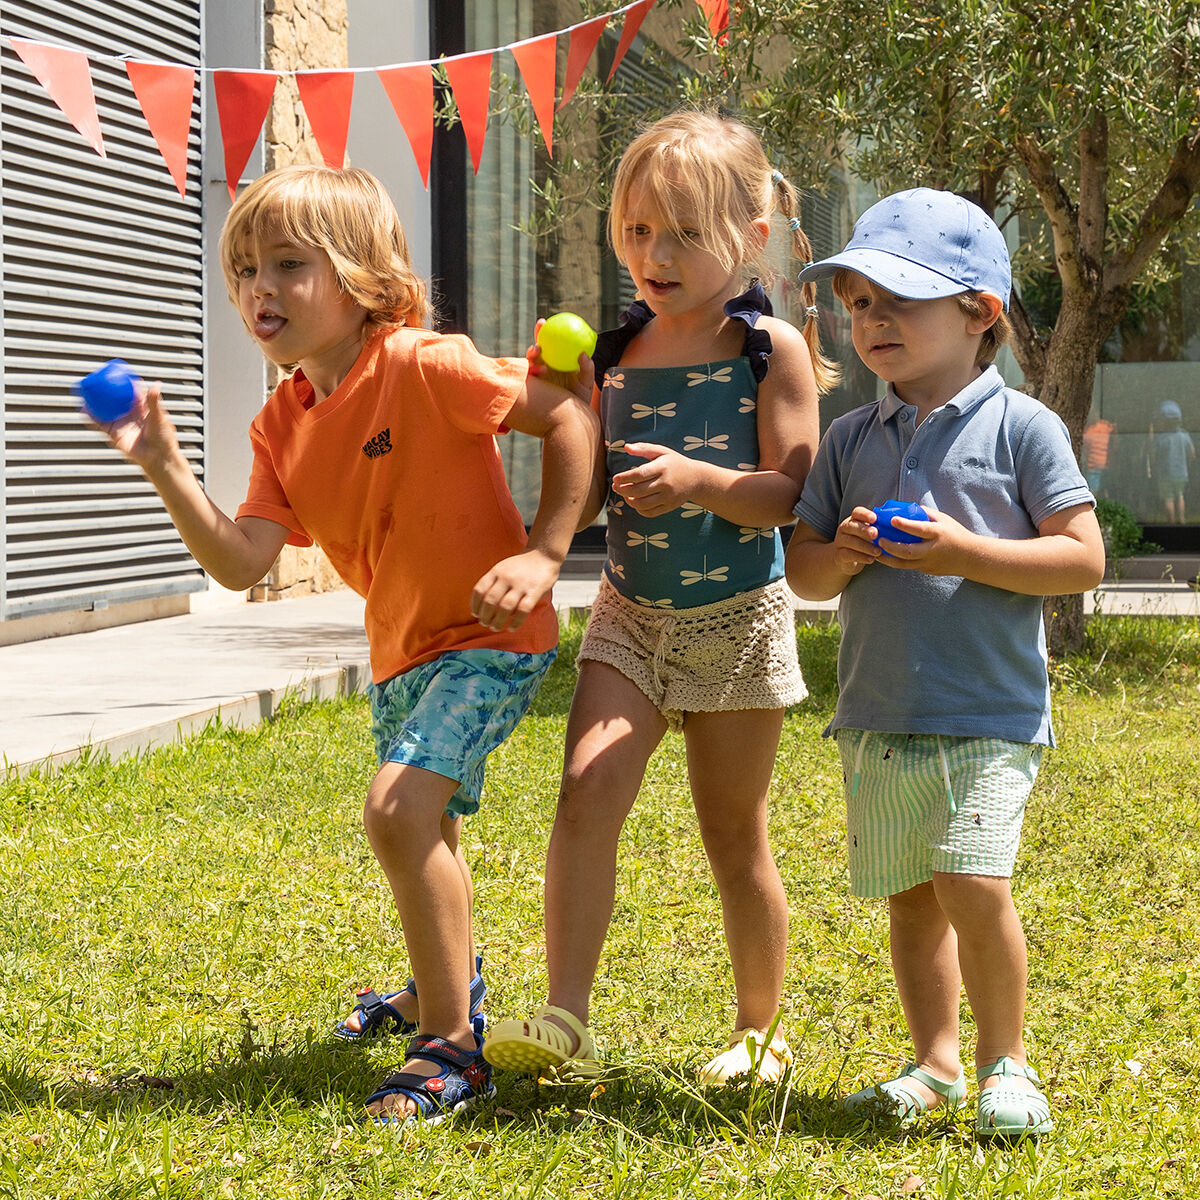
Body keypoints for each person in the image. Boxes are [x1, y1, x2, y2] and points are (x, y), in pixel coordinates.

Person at [97, 165, 598, 1126]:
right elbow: (242, 560)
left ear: (363, 277)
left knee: (397, 813)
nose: (259, 288)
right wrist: (165, 465)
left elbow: (565, 411)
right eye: (244, 269)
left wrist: (544, 554)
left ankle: (450, 1045)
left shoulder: (424, 363)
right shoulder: (279, 423)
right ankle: (439, 981)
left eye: (289, 263)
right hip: (401, 649)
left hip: (490, 637)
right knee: (430, 826)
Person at [482, 109, 837, 1086]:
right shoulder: (613, 353)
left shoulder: (773, 350)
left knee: (733, 831)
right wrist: (536, 418)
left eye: (684, 233)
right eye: (638, 231)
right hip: (630, 614)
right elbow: (585, 480)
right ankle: (565, 1019)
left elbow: (786, 494)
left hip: (737, 621)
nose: (656, 254)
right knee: (584, 795)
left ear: (751, 239)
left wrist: (699, 482)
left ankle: (759, 1034)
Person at [785, 187, 1105, 1139]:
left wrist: (965, 552)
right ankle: (934, 1064)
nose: (871, 321)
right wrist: (841, 551)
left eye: (899, 301)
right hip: (880, 712)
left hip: (988, 711)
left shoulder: (1023, 428)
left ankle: (1008, 1060)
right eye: (857, 304)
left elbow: (1082, 556)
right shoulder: (850, 438)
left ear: (981, 315)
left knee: (973, 882)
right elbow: (803, 575)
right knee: (913, 899)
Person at [1152, 400, 1194, 523]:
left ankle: (1170, 522)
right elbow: (1192, 453)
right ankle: (1182, 519)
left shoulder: (1161, 438)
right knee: (1180, 495)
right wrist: (1187, 464)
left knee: (1168, 498)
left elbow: (1154, 456)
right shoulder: (1184, 435)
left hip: (1165, 474)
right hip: (1181, 473)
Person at [1081, 416, 1115, 496]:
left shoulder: (1088, 431)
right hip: (1105, 464)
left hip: (1094, 465)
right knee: (1103, 488)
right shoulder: (1105, 426)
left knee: (1093, 490)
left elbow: (1085, 448)